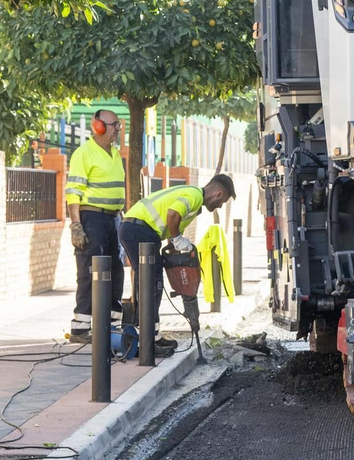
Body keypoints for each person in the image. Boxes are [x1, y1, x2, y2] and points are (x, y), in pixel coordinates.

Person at [119, 174, 236, 353]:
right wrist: (177, 238)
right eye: (223, 201)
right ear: (219, 193)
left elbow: (170, 226)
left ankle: (152, 336)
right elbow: (172, 214)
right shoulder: (195, 196)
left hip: (140, 229)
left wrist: (175, 251)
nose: (220, 206)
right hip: (139, 229)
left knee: (153, 284)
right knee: (150, 284)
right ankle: (145, 343)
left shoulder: (193, 201)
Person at [65, 109, 127, 342]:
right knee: (90, 271)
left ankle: (112, 324)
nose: (118, 130)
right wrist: (76, 225)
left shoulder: (115, 154)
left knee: (116, 270)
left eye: (119, 126)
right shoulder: (84, 154)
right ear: (98, 126)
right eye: (114, 126)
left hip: (114, 219)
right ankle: (81, 327)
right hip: (92, 218)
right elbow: (73, 191)